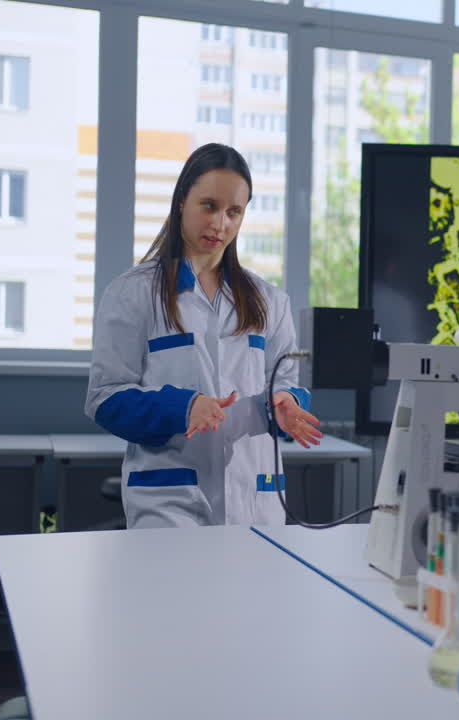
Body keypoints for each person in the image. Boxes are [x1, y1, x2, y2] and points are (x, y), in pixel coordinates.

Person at [85, 143, 322, 529]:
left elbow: (287, 385)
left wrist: (287, 404)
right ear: (182, 202)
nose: (220, 224)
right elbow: (105, 399)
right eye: (209, 206)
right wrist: (182, 408)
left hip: (255, 504)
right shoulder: (132, 294)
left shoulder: (270, 302)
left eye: (234, 212)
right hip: (171, 503)